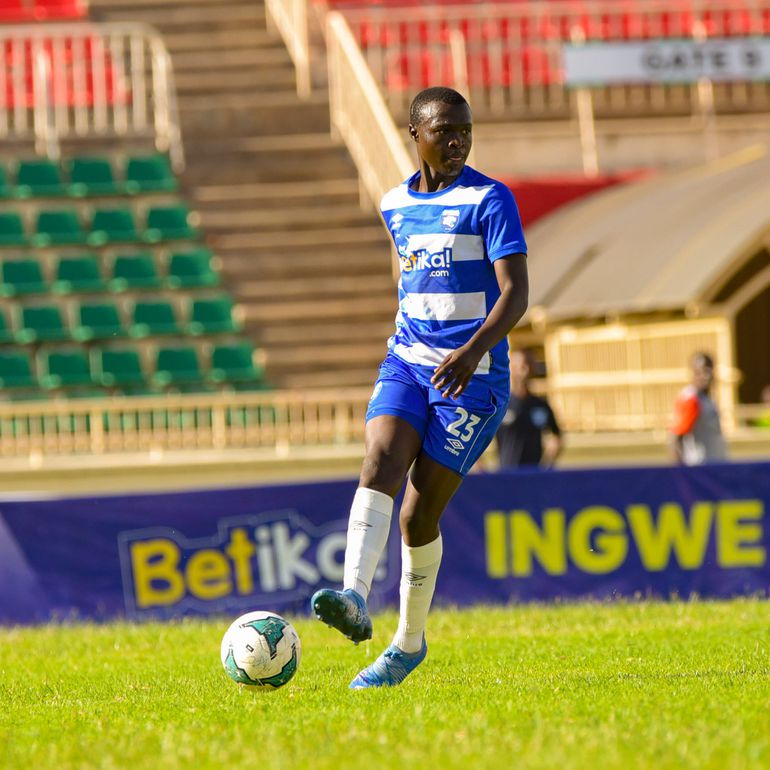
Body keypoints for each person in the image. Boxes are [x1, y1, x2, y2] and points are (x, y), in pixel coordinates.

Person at [311, 86, 528, 688]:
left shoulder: (491, 199)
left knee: (416, 515)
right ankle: (353, 596)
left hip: (473, 376)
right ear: (417, 134)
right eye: (445, 131)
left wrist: (471, 350)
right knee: (379, 458)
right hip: (407, 361)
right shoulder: (393, 205)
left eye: (465, 129)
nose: (457, 141)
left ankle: (407, 645)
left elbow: (517, 293)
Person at [495, 348, 562, 468]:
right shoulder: (501, 405)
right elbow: (478, 439)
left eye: (529, 365)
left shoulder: (540, 405)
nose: (525, 371)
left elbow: (556, 436)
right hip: (506, 475)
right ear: (511, 368)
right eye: (521, 366)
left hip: (533, 476)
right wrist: (480, 468)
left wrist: (547, 465)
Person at [669, 351, 728, 465]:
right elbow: (675, 438)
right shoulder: (691, 399)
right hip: (699, 469)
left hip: (714, 465)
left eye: (707, 371)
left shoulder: (707, 398)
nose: (704, 376)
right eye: (699, 372)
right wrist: (680, 473)